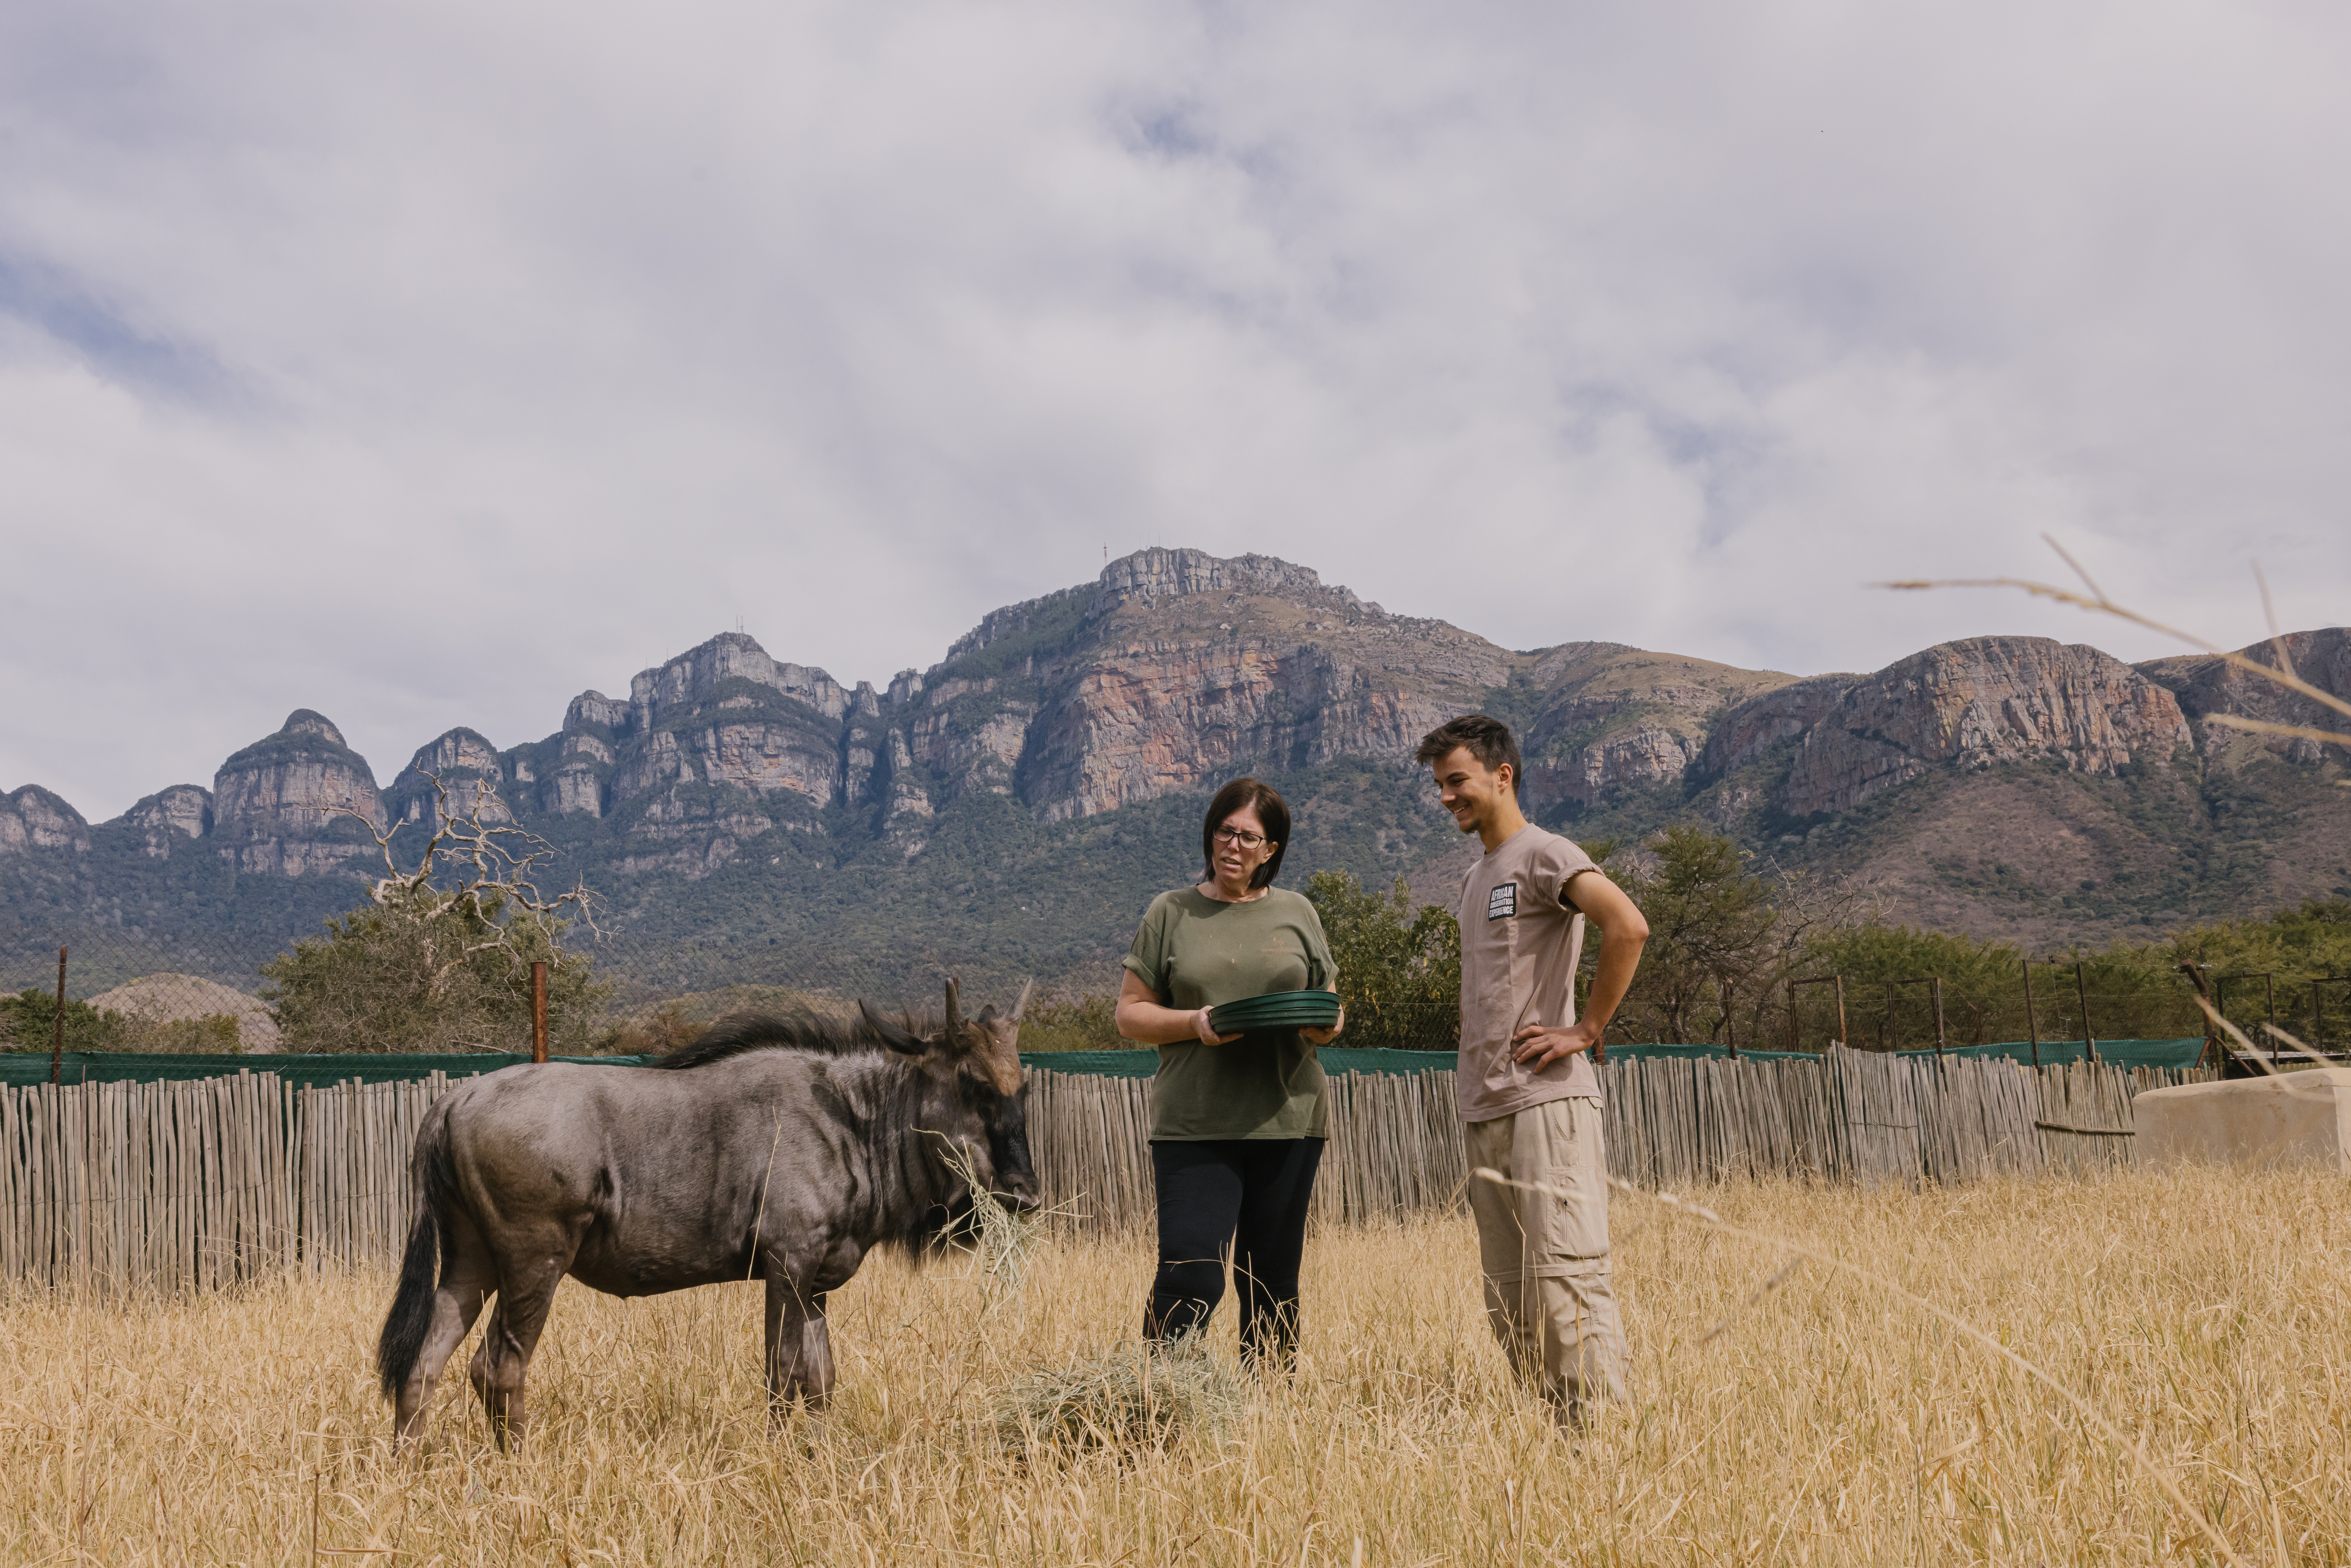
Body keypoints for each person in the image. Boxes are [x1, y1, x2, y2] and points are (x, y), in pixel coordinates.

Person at [1415, 715, 1649, 1428]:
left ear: (1501, 775)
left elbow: (1628, 925)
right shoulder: (1473, 876)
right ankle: (1552, 1438)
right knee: (1509, 1296)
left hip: (1546, 1102)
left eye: (1457, 781)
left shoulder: (1546, 854)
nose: (1447, 797)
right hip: (1483, 1105)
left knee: (1566, 1280)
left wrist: (1586, 1029)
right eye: (1440, 785)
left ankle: (1602, 1443)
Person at [1114, 776, 1344, 1371]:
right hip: (1196, 1121)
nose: (1233, 845)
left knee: (1271, 1279)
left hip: (1288, 1117)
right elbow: (1130, 1014)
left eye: (1248, 837)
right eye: (1224, 831)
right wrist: (1195, 1022)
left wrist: (1325, 1024)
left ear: (1271, 849)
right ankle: (1162, 1398)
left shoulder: (1297, 912)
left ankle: (1267, 1404)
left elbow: (1328, 1004)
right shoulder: (1170, 912)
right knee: (1190, 1273)